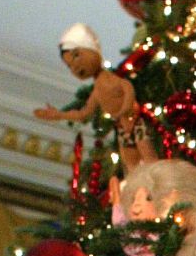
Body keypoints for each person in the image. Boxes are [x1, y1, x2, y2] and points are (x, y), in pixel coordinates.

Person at [34, 25, 158, 171]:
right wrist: (59, 115)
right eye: (69, 66)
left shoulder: (114, 79)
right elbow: (83, 114)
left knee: (149, 159)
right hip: (122, 129)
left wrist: (124, 111)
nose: (75, 67)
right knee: (131, 165)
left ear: (92, 50)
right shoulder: (97, 92)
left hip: (135, 123)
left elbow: (128, 90)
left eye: (76, 55)